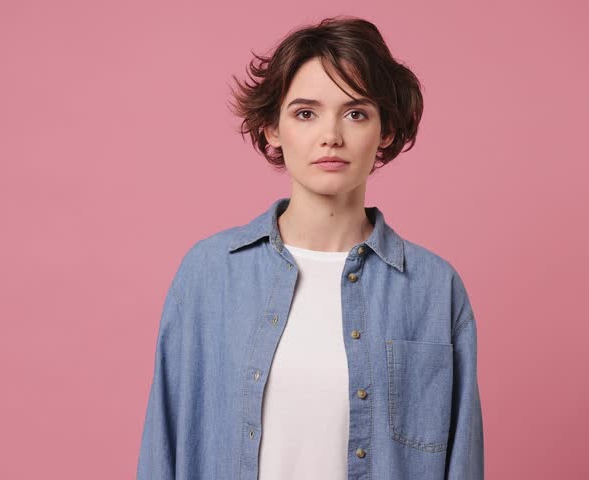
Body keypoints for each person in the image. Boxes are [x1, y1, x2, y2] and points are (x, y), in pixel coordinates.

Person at [136, 15, 483, 480]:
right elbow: (164, 445)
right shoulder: (208, 276)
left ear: (384, 131)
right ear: (272, 129)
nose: (331, 136)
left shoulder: (433, 289)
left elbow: (461, 462)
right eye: (305, 112)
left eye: (355, 113)